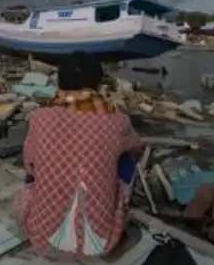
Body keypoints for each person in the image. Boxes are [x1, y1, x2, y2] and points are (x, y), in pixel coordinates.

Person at [17, 52, 142, 260]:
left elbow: (30, 165)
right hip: (101, 240)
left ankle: (45, 207)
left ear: (60, 82)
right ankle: (114, 208)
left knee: (34, 167)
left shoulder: (39, 118)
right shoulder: (118, 120)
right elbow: (137, 146)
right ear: (97, 84)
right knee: (125, 159)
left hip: (43, 236)